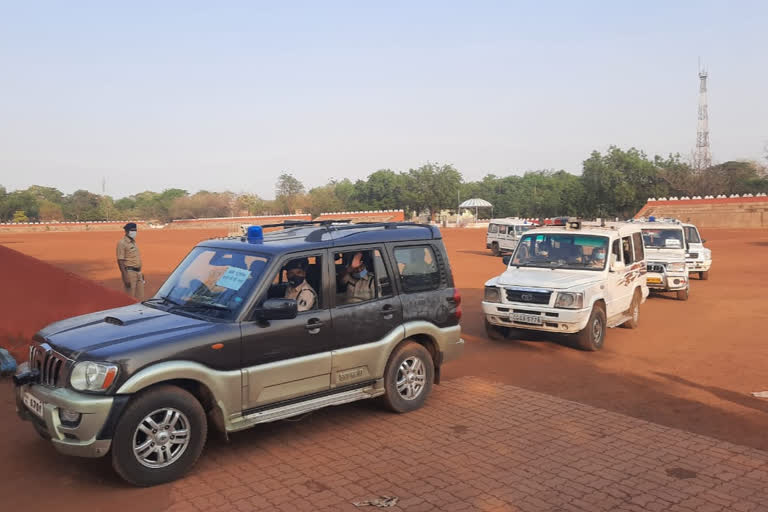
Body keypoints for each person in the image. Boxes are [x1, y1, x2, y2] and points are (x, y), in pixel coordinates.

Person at [116, 222, 144, 300]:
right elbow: (120, 260)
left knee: (140, 299)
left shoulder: (133, 242)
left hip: (138, 273)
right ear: (126, 231)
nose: (134, 232)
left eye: (135, 230)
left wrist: (140, 272)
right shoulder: (122, 243)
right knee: (130, 298)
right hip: (130, 273)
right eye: (132, 230)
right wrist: (125, 276)